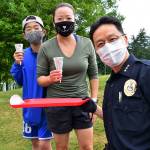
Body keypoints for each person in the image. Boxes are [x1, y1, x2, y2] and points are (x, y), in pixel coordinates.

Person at [81, 16, 150, 150]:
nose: (107, 46)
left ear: (125, 39)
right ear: (97, 52)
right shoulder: (111, 83)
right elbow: (115, 118)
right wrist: (94, 108)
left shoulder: (145, 73)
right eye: (100, 44)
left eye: (112, 39)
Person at [37, 3, 99, 150]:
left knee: (87, 147)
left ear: (74, 20)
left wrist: (94, 101)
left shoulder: (86, 43)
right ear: (54, 22)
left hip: (82, 102)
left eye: (68, 18)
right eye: (60, 18)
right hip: (56, 104)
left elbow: (94, 74)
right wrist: (50, 79)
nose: (64, 22)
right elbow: (40, 79)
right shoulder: (46, 47)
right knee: (61, 147)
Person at [10, 15, 53, 150]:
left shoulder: (51, 52)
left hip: (48, 107)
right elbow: (20, 81)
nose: (32, 31)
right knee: (35, 143)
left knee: (45, 144)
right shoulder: (21, 55)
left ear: (43, 31)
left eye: (36, 27)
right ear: (24, 35)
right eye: (28, 29)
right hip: (29, 108)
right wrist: (17, 64)